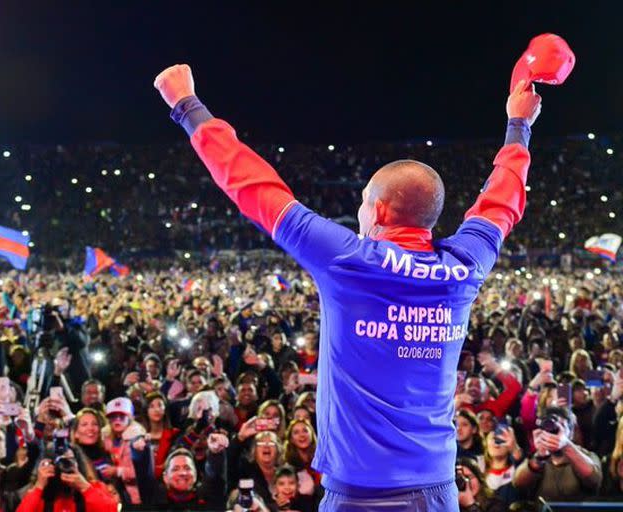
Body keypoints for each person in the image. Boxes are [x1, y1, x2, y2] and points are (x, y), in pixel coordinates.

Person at [154, 61, 542, 510]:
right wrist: (518, 125)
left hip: (357, 493)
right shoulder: (464, 264)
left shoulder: (349, 260)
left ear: (375, 212)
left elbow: (253, 186)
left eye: (361, 202)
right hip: (436, 489)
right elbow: (502, 202)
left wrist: (188, 107)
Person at [513, 406, 602, 501]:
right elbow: (518, 484)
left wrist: (566, 445)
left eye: (562, 426)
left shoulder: (586, 455)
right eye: (550, 426)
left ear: (571, 433)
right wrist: (540, 456)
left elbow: (594, 480)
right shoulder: (537, 458)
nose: (555, 432)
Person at [16, 443, 117, 512]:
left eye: (70, 461)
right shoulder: (40, 495)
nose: (65, 466)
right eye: (61, 462)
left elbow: (112, 510)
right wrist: (39, 486)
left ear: (78, 464)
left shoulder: (94, 488)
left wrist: (85, 487)